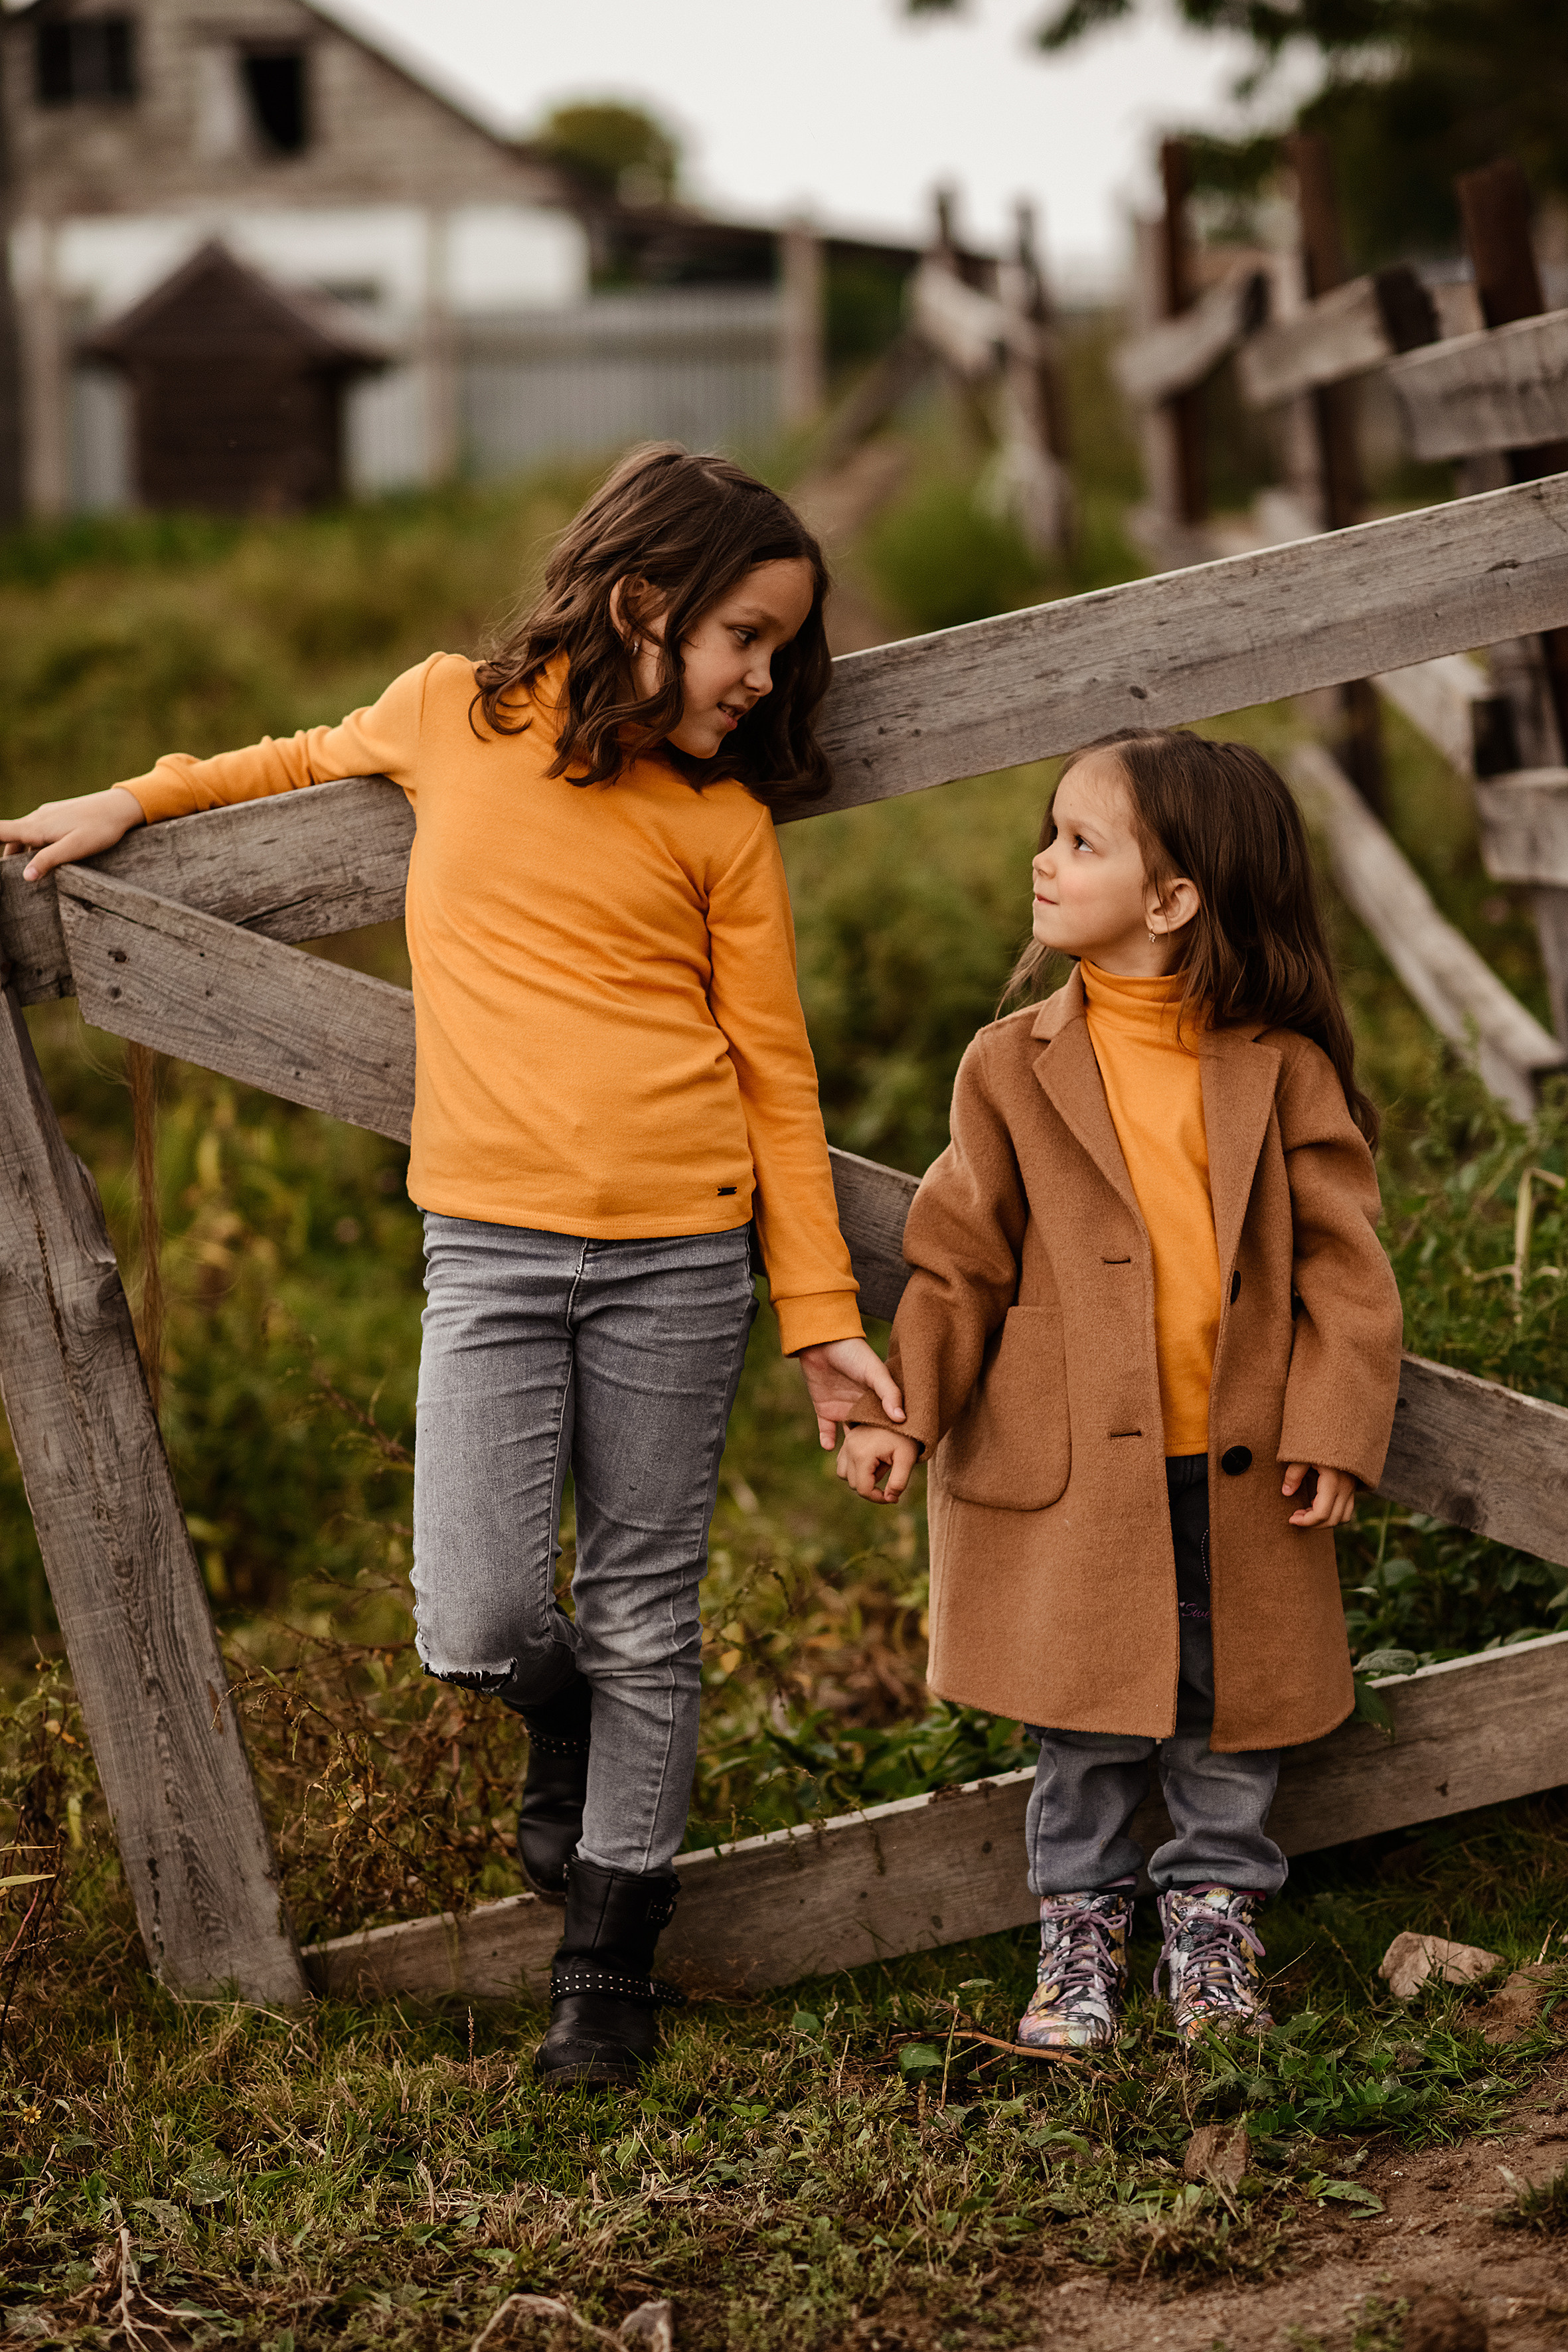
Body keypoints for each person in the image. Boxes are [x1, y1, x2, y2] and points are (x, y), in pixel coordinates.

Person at [0, 443, 903, 2090]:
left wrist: (822, 1321)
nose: (764, 678)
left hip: (681, 1254)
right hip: (487, 1245)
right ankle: (562, 1722)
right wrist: (131, 798)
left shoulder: (721, 826)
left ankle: (604, 1965)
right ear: (645, 605)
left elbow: (775, 1081)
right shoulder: (445, 713)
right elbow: (284, 756)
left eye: (781, 650)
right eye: (746, 639)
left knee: (645, 1608)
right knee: (476, 1615)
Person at [836, 728, 1402, 2052]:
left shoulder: (1279, 1067)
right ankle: (1077, 1930)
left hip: (1236, 1457)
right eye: (1051, 832)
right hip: (1076, 1466)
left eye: (1078, 842)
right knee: (1082, 1714)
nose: (1041, 857)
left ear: (1172, 900)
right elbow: (957, 1260)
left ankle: (1212, 1920)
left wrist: (1331, 1423)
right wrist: (899, 1409)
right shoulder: (1009, 1064)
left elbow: (1345, 1267)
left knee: (1226, 1702)